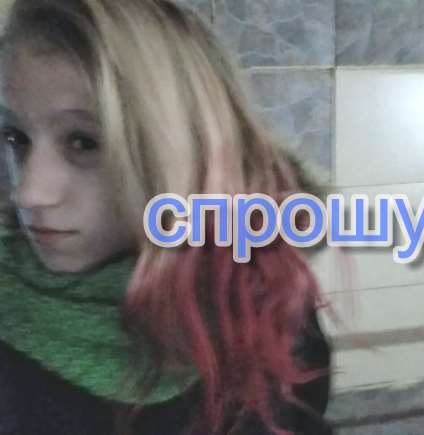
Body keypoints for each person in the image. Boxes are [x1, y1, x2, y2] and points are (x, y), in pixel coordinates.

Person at [0, 0, 337, 434]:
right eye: (16, 137)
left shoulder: (265, 294)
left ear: (186, 149)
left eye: (84, 142)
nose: (29, 192)